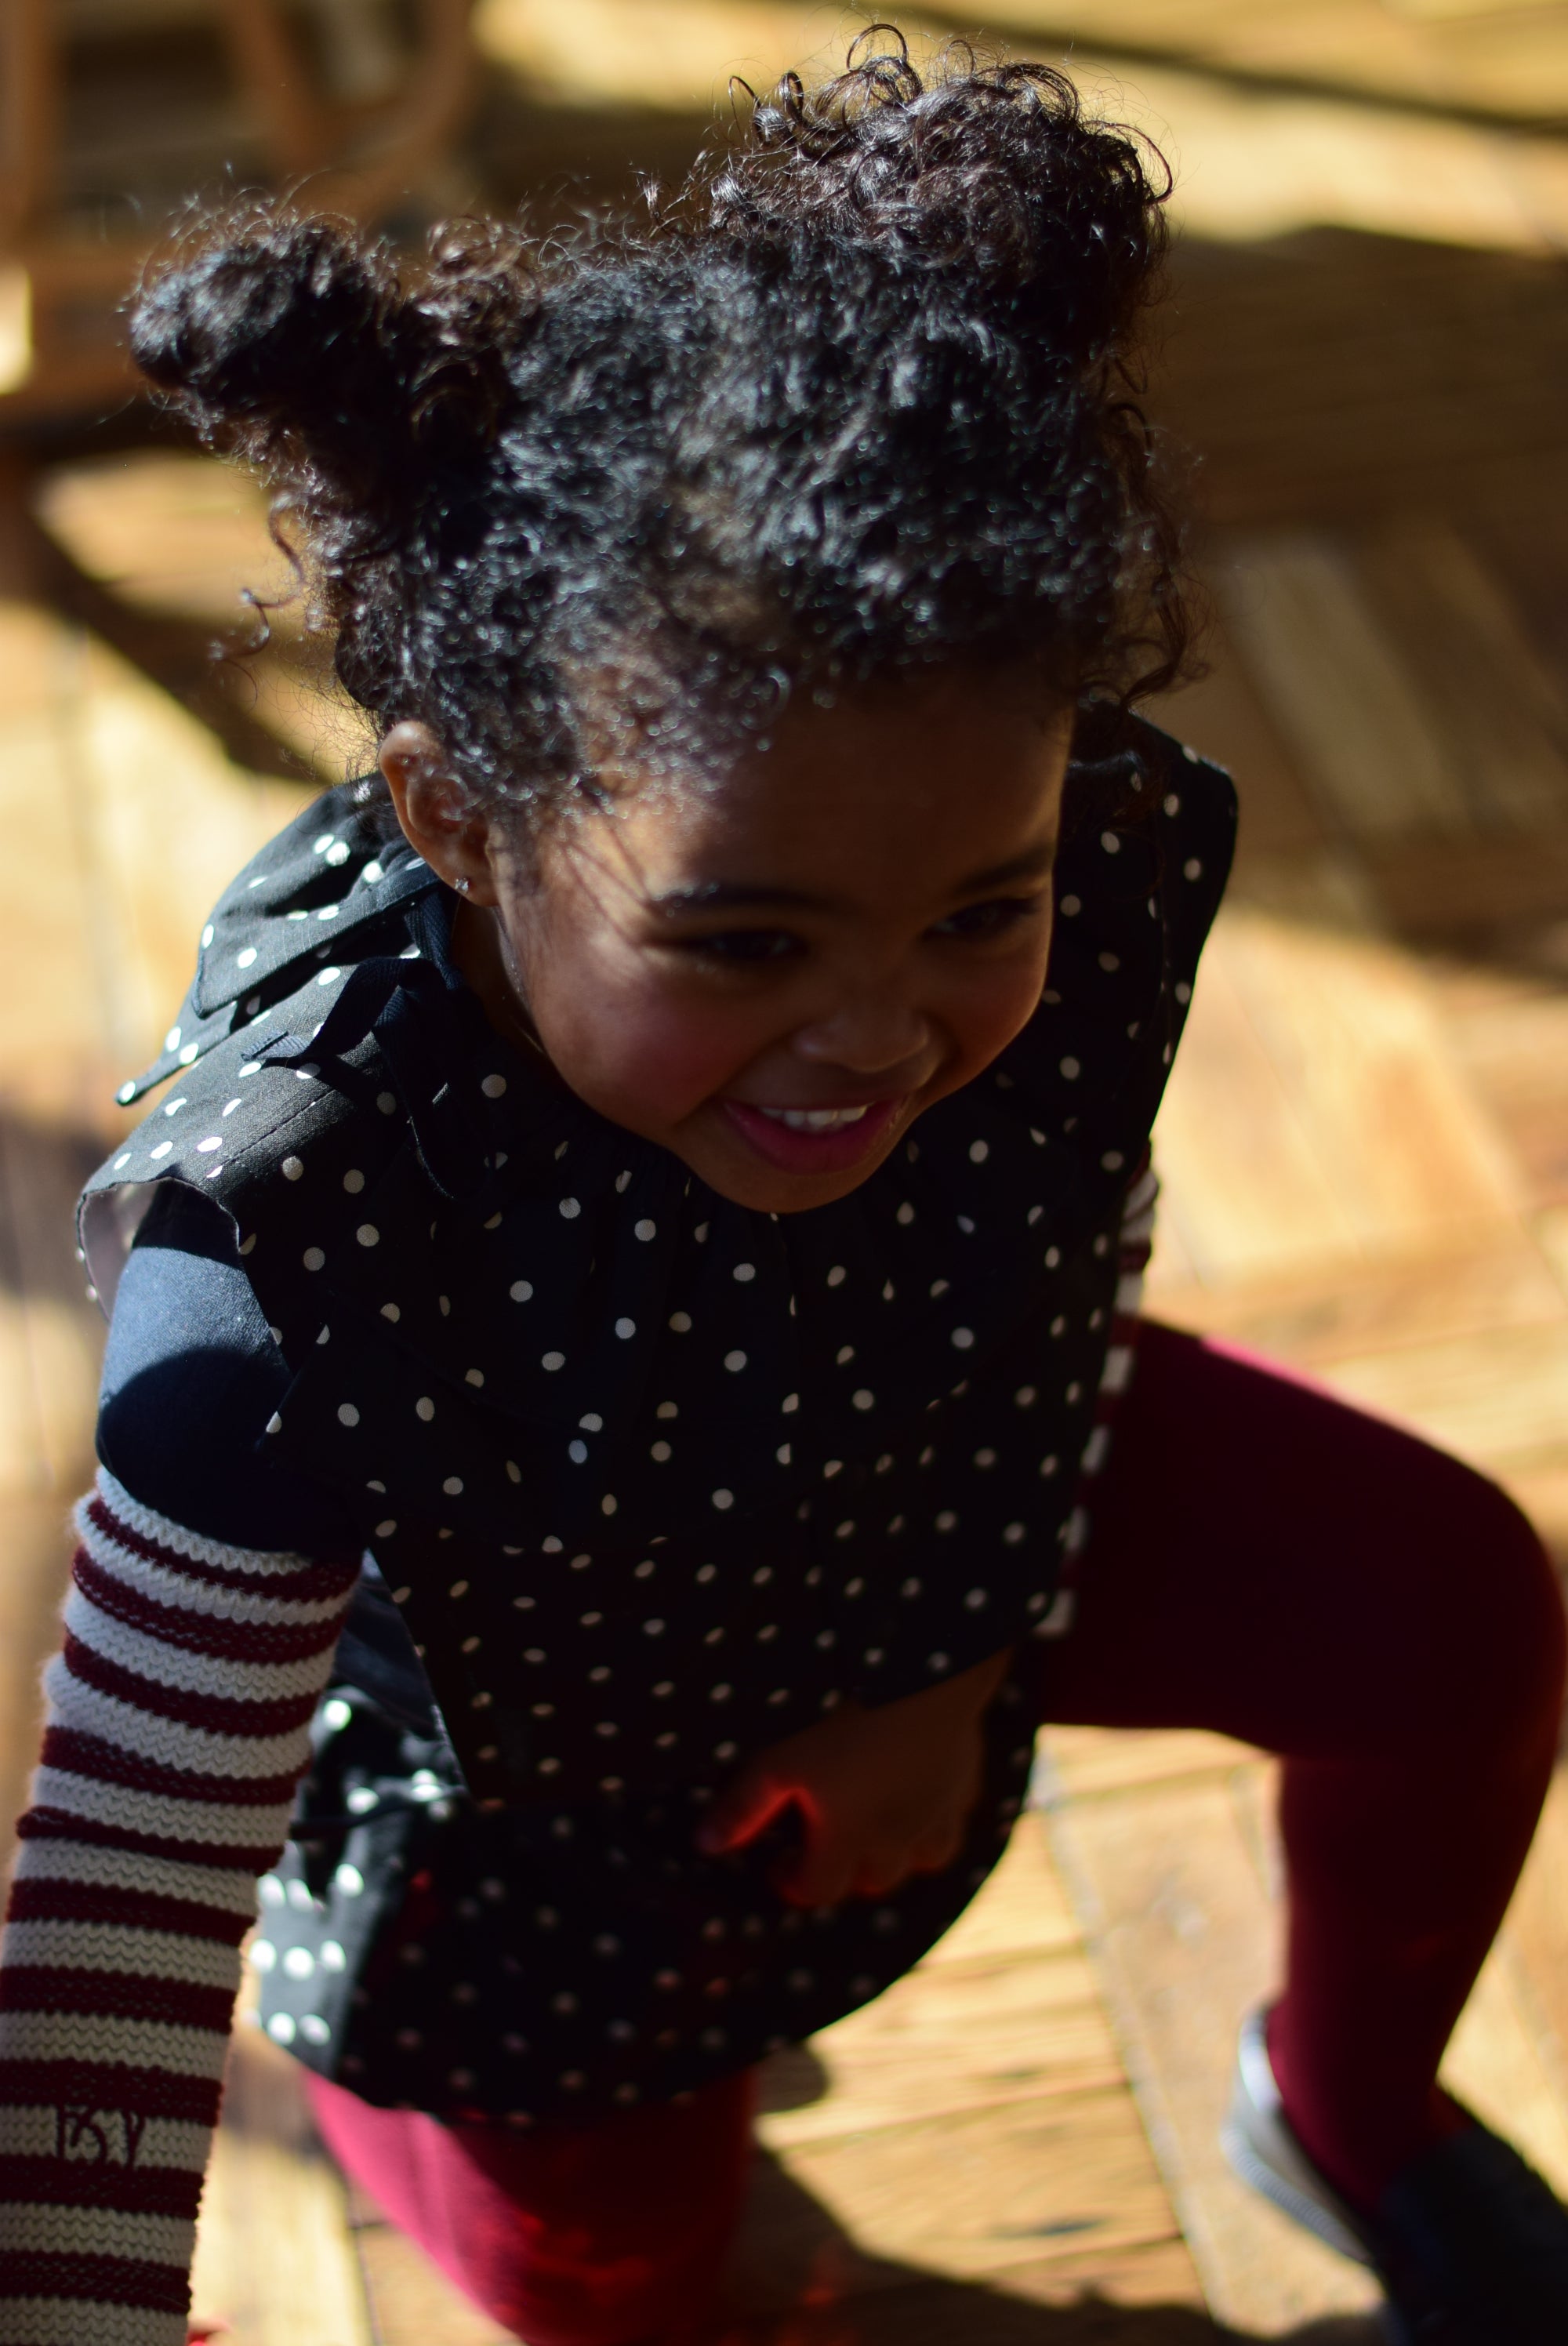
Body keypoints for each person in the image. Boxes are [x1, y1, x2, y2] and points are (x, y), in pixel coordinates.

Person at [0, 35, 1565, 2346]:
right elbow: (124, 1897)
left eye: (975, 913)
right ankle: (443, 2143)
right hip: (536, 1817)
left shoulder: (1084, 849)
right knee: (626, 2293)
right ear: (457, 823)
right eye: (746, 946)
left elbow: (1064, 1249)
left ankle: (1348, 2110)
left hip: (934, 1484)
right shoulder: (287, 1251)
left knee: (1460, 1616)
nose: (880, 1035)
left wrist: (965, 1629)